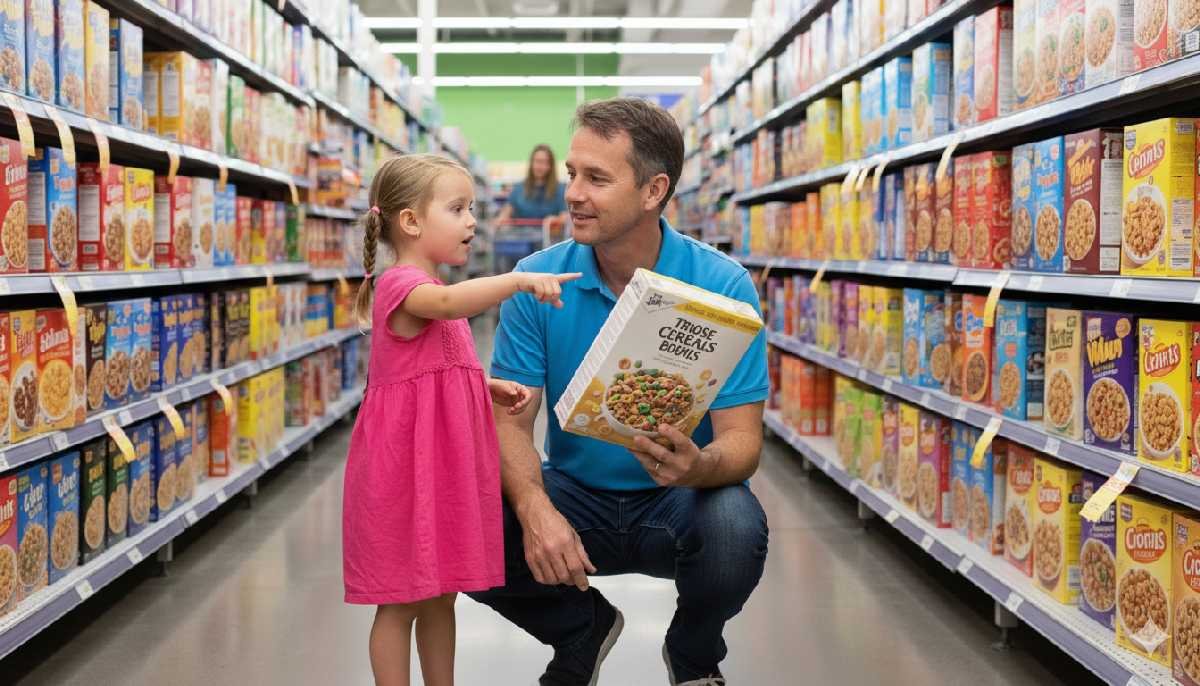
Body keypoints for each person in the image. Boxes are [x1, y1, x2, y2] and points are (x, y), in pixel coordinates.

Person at [470, 98, 770, 686]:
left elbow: (744, 443)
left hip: (678, 504)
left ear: (654, 189)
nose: (574, 193)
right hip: (573, 495)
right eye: (572, 174)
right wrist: (534, 511)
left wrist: (700, 464)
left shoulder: (722, 285)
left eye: (597, 178)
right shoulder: (539, 281)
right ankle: (581, 628)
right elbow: (511, 423)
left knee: (736, 526)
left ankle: (693, 654)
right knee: (462, 517)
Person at [342, 153, 581, 686]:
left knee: (440, 593)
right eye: (458, 208)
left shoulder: (429, 290)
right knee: (400, 599)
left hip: (437, 467)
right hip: (404, 468)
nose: (472, 220)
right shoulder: (403, 284)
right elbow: (448, 303)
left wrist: (482, 384)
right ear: (411, 222)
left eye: (472, 207)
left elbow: (435, 366)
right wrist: (519, 282)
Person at [496, 143, 569, 236]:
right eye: (537, 161)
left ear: (551, 165)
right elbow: (505, 213)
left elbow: (565, 216)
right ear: (531, 163)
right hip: (522, 242)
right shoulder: (518, 189)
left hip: (549, 241)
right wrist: (500, 221)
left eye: (544, 162)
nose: (540, 166)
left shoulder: (560, 190)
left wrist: (556, 220)